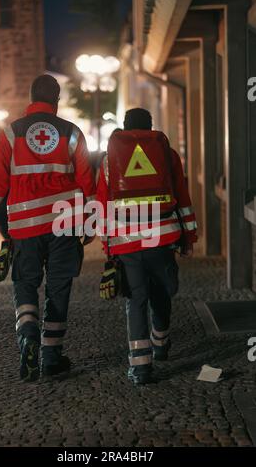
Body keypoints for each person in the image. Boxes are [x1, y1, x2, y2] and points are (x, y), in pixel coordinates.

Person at [0, 74, 96, 382]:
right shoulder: (72, 133)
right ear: (56, 101)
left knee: (26, 284)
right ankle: (51, 357)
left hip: (25, 225)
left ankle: (27, 336)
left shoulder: (10, 133)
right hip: (64, 222)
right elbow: (87, 182)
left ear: (31, 98)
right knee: (59, 287)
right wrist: (91, 220)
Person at [96, 108, 198, 386]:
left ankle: (140, 368)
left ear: (125, 129)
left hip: (125, 243)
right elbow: (182, 197)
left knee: (136, 300)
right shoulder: (168, 155)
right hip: (163, 239)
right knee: (163, 292)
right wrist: (189, 237)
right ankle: (161, 342)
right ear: (151, 127)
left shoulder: (109, 161)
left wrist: (108, 248)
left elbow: (103, 206)